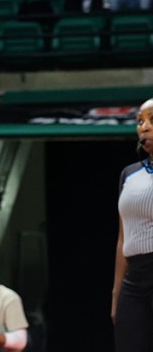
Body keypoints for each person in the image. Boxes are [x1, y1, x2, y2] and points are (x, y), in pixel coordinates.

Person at [112, 98, 153, 350]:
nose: (144, 127)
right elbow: (122, 238)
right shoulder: (129, 174)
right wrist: (116, 293)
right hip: (134, 279)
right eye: (140, 121)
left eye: (151, 121)